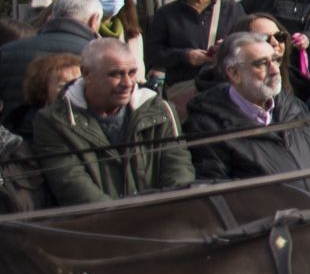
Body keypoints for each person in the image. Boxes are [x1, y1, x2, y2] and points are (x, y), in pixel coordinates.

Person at [30, 38, 196, 204]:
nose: (127, 83)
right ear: (87, 74)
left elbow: (179, 172)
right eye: (116, 74)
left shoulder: (161, 111)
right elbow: (72, 185)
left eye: (132, 73)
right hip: (93, 227)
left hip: (163, 222)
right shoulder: (54, 121)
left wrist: (163, 217)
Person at [183, 28, 310, 194]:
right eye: (262, 63)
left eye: (275, 60)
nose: (274, 70)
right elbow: (219, 194)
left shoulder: (293, 106)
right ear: (235, 73)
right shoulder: (207, 125)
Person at [0, 0, 106, 113]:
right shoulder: (101, 57)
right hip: (75, 130)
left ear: (52, 16)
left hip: (14, 128)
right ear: (94, 20)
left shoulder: (6, 51)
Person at [144, 0, 239, 92]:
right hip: (184, 88)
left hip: (225, 86)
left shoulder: (232, 9)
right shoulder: (166, 14)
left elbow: (248, 42)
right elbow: (153, 52)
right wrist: (185, 56)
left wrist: (226, 46)